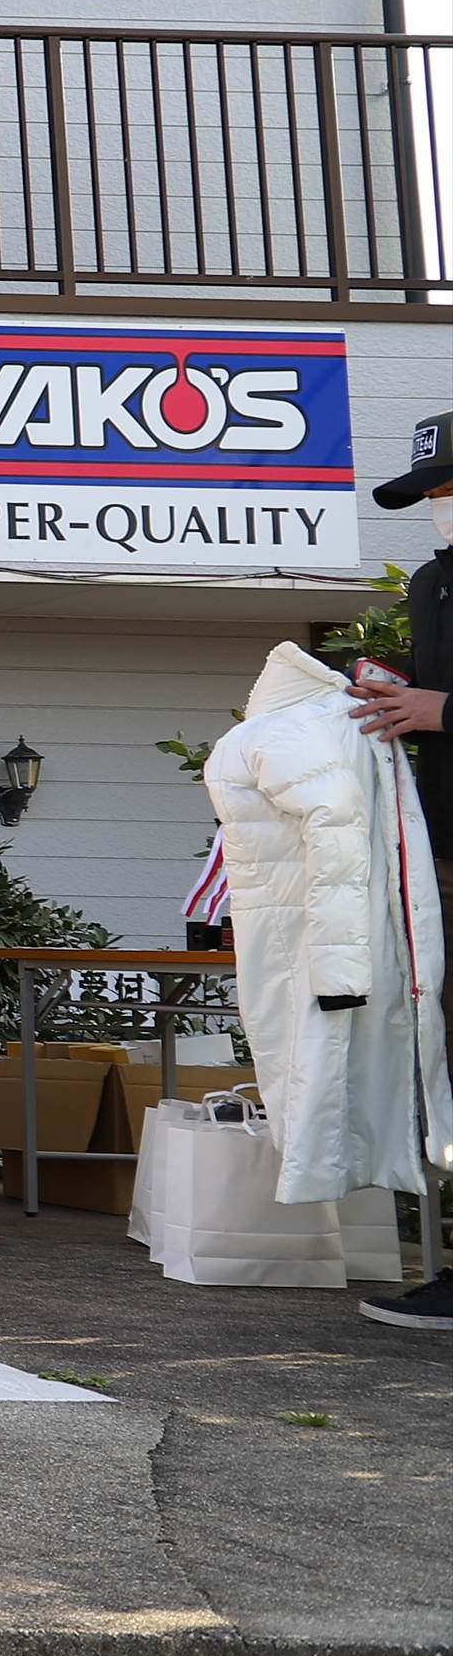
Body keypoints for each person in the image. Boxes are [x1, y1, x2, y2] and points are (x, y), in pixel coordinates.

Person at [351, 406, 453, 1330]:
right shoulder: (432, 582)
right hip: (441, 854)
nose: (437, 505)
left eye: (449, 488)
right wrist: (392, 694)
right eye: (429, 492)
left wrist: (440, 709)